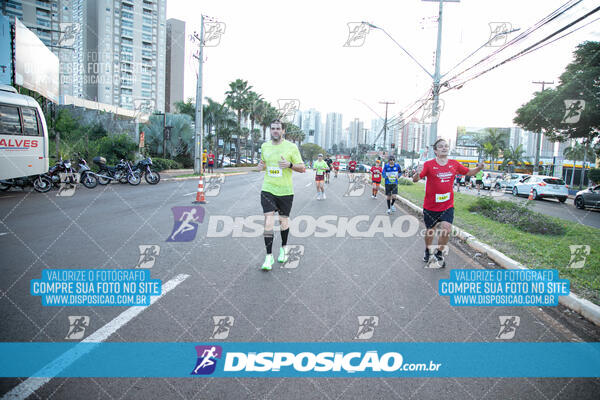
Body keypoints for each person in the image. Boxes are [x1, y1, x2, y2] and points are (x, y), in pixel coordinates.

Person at [412, 138, 484, 268]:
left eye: (446, 146)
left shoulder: (454, 164)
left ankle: (439, 253)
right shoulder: (428, 164)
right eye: (440, 146)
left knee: (446, 230)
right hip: (430, 206)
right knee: (430, 232)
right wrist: (417, 173)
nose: (444, 148)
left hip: (447, 206)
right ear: (435, 151)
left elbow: (468, 172)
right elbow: (416, 180)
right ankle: (428, 251)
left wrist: (478, 169)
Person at [257, 120, 305, 271]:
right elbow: (264, 162)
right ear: (270, 130)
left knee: (283, 222)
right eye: (273, 129)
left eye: (278, 129)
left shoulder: (291, 147)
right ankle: (268, 256)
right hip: (268, 189)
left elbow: (302, 168)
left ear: (283, 131)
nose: (275, 131)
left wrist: (290, 165)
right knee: (268, 221)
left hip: (285, 191)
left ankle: (284, 249)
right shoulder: (265, 146)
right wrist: (261, 166)